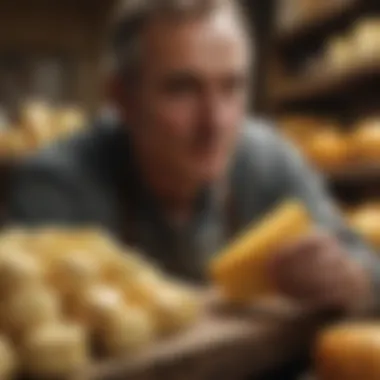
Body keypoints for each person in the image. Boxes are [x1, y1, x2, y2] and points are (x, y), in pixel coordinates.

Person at [6, 0, 378, 325]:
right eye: (182, 89)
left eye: (231, 87)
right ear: (121, 98)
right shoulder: (56, 186)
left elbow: (367, 265)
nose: (215, 123)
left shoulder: (268, 160)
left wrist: (351, 279)